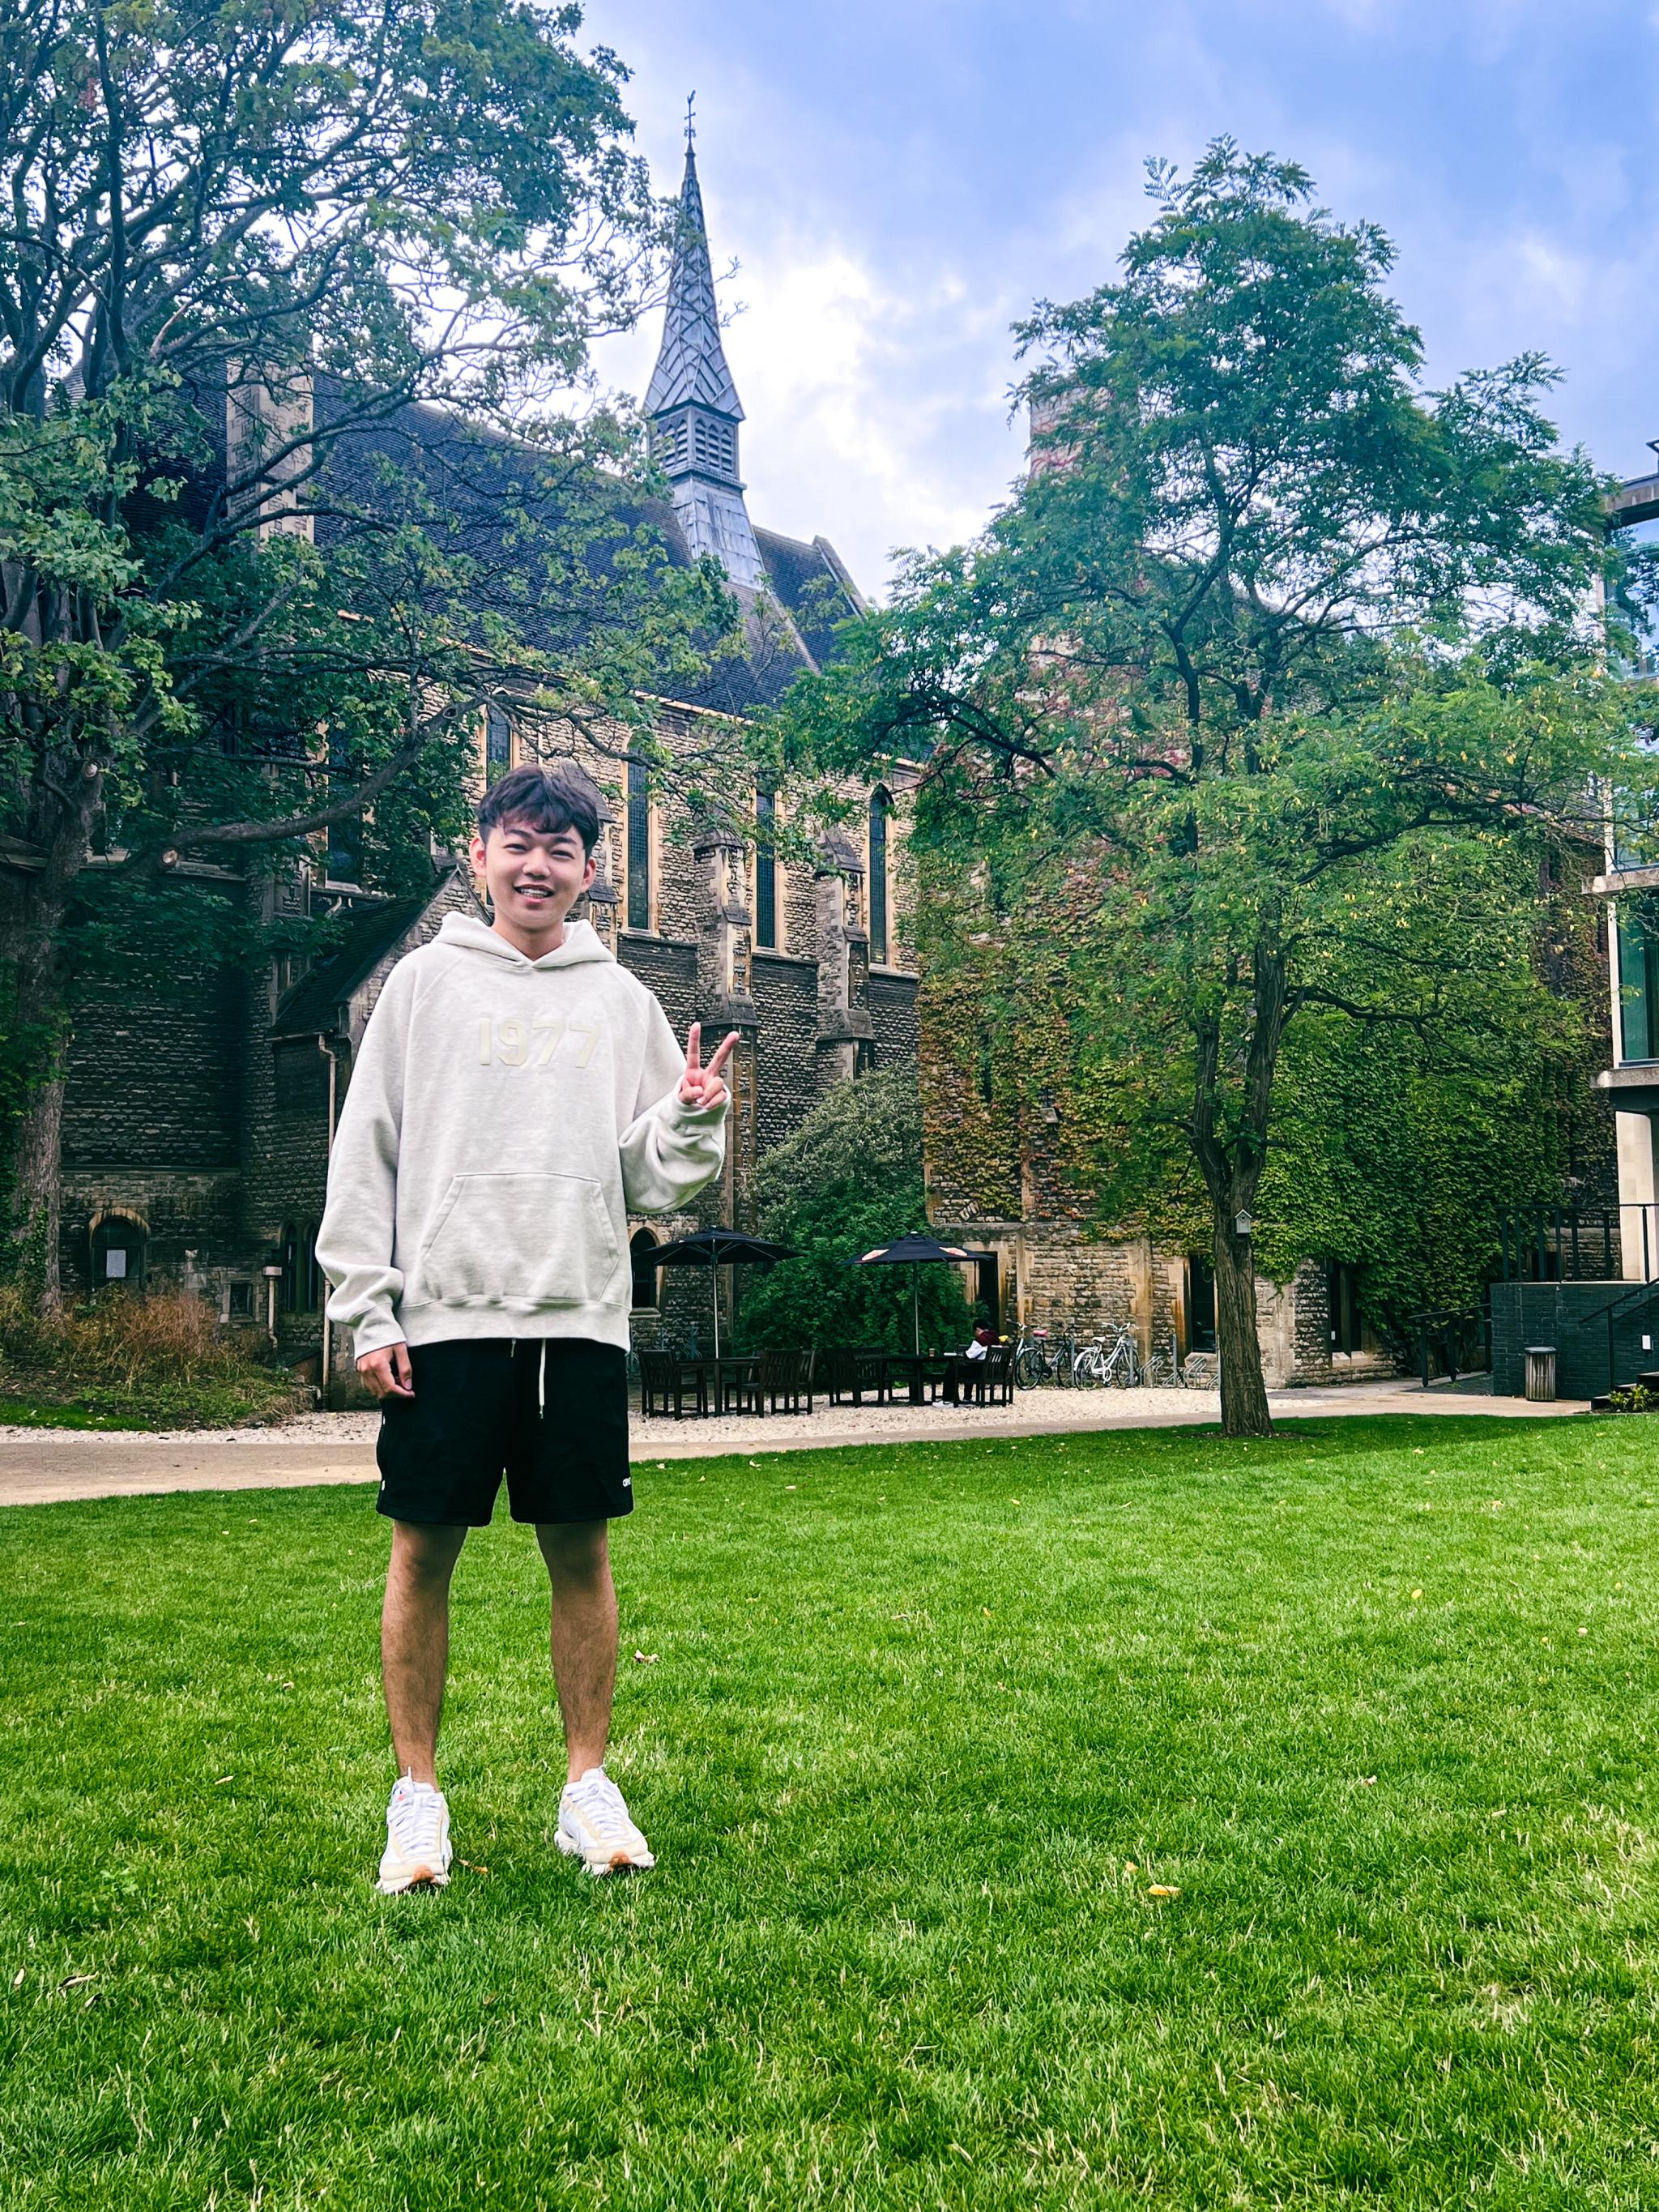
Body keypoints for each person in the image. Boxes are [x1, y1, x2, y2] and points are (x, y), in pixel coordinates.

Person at [317, 761, 736, 1894]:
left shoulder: (622, 1001)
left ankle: (586, 1788)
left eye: (560, 849)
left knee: (581, 1554)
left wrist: (692, 1116)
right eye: (519, 843)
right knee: (422, 1551)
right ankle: (417, 1800)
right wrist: (366, 1307)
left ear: (590, 871)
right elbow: (366, 1152)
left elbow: (653, 1177)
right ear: (481, 853)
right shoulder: (421, 985)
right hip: (443, 1321)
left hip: (578, 1319)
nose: (537, 865)